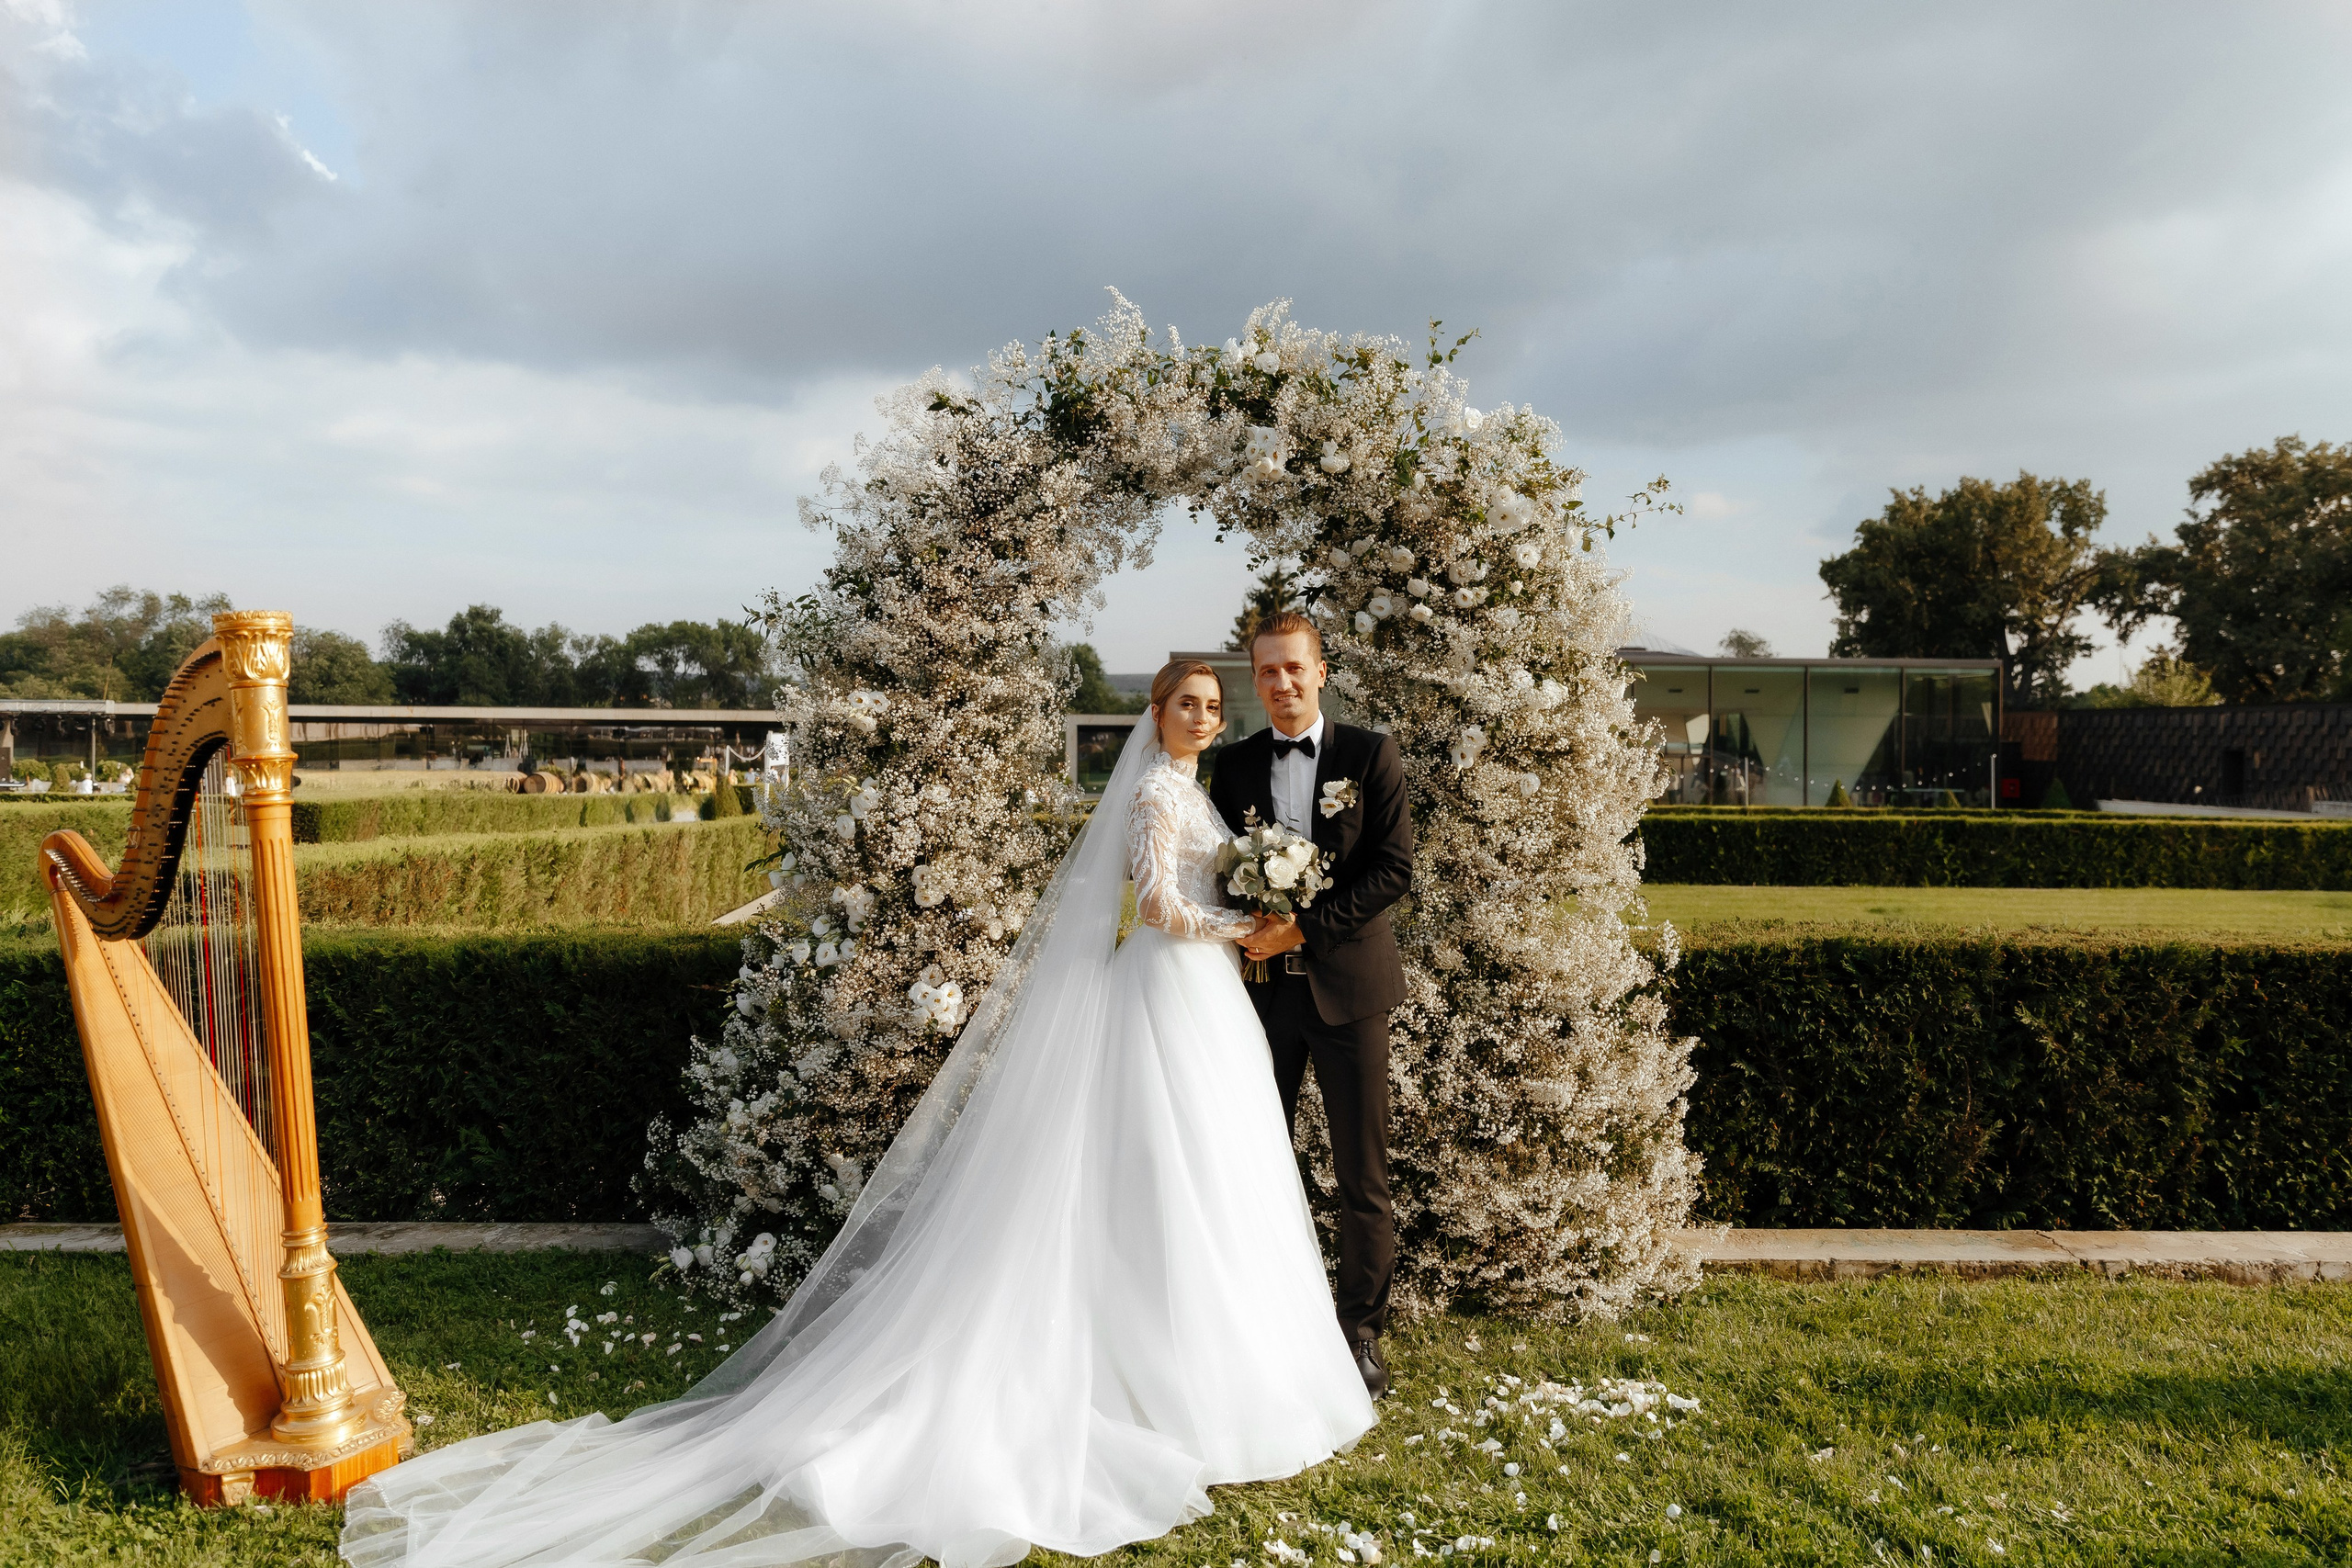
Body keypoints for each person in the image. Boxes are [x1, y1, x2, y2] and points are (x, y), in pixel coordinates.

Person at [341, 660, 1372, 1568]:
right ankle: (1164, 1376)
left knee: (1206, 1175)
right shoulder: (1155, 787)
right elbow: (1153, 905)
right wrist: (1249, 925)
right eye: (1183, 703)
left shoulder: (1198, 785)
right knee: (1164, 1170)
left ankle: (1205, 1362)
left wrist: (1259, 916)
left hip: (1201, 999)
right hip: (1171, 978)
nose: (1199, 715)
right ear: (1153, 715)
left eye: (1207, 703)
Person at [1207, 612, 1414, 1400]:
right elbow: (1218, 865)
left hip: (1351, 992)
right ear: (1254, 680)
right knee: (1256, 1163)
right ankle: (1262, 1325)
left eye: (1294, 668)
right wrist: (1245, 921)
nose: (1282, 683)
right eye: (1266, 672)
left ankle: (1357, 1334)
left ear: (1321, 670)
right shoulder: (1231, 766)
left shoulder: (1370, 754)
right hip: (1258, 999)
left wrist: (1306, 925)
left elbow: (1392, 870)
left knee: (1362, 1172)